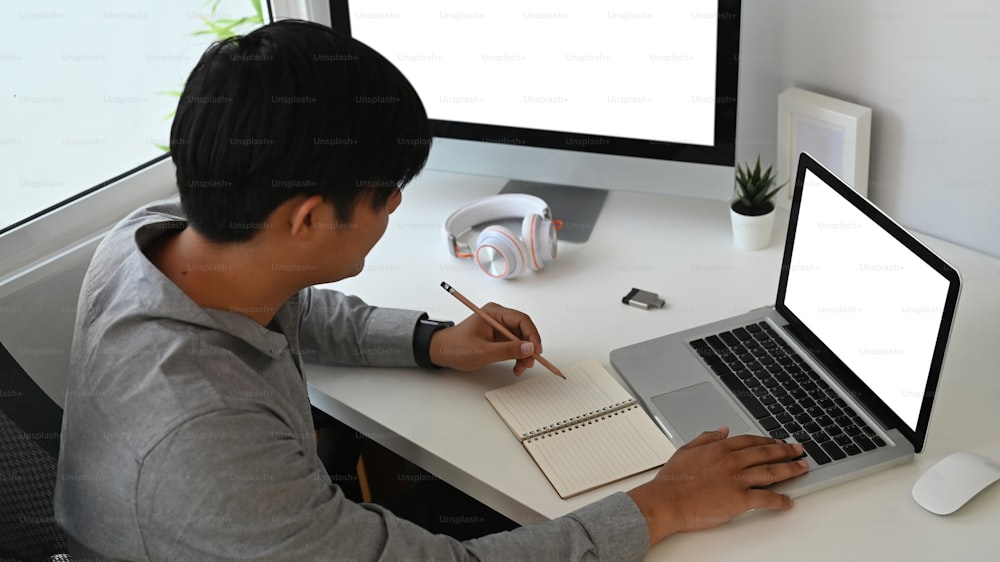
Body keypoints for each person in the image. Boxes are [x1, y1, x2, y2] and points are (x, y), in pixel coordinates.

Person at [54, 19, 808, 561]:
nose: (397, 209)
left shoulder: (153, 241)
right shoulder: (206, 449)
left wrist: (429, 341)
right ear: (309, 218)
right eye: (386, 195)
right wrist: (663, 503)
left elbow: (290, 301)